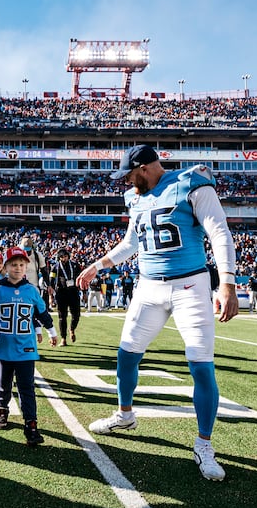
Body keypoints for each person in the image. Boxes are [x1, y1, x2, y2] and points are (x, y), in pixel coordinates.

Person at [77, 145, 239, 482]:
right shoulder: (136, 199)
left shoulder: (191, 182)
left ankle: (204, 444)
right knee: (126, 355)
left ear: (145, 167)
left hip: (190, 286)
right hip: (148, 285)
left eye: (130, 174)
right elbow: (131, 243)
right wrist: (99, 264)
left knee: (200, 364)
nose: (127, 181)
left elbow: (218, 231)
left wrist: (227, 282)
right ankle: (125, 415)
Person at [0, 246, 58, 446]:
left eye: (21, 264)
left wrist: (52, 331)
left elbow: (42, 313)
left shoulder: (32, 290)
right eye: (13, 264)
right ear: (5, 267)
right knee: (3, 385)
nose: (17, 268)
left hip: (26, 349)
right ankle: (2, 409)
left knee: (27, 387)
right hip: (3, 347)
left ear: (27, 267)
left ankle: (31, 424)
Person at [49, 247, 82, 345]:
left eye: (66, 256)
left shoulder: (75, 265)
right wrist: (51, 296)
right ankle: (63, 338)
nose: (64, 258)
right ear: (59, 258)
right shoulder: (55, 267)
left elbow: (81, 278)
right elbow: (51, 281)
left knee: (76, 315)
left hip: (74, 293)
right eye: (62, 257)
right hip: (61, 294)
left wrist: (84, 292)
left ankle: (72, 329)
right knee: (62, 317)